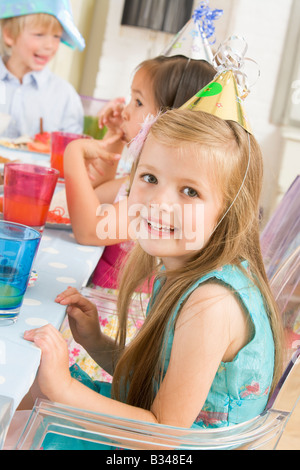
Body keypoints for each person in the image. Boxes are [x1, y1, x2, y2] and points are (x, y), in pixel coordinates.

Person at [22, 107, 283, 448]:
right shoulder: (181, 272)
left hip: (159, 446)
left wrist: (63, 390)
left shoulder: (212, 304)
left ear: (228, 212)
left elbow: (161, 435)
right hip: (147, 428)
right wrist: (95, 341)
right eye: (150, 178)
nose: (159, 202)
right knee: (28, 384)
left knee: (32, 399)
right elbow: (156, 379)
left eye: (190, 191)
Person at [59, 55, 217, 381]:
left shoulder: (159, 198)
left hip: (114, 325)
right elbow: (98, 194)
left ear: (170, 119)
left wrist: (73, 153)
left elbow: (89, 229)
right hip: (99, 306)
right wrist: (115, 143)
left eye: (138, 101)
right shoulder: (144, 178)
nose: (126, 109)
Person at [0, 0, 85, 138]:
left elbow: (70, 149)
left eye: (56, 36)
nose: (49, 46)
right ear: (9, 35)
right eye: (39, 34)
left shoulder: (65, 96)